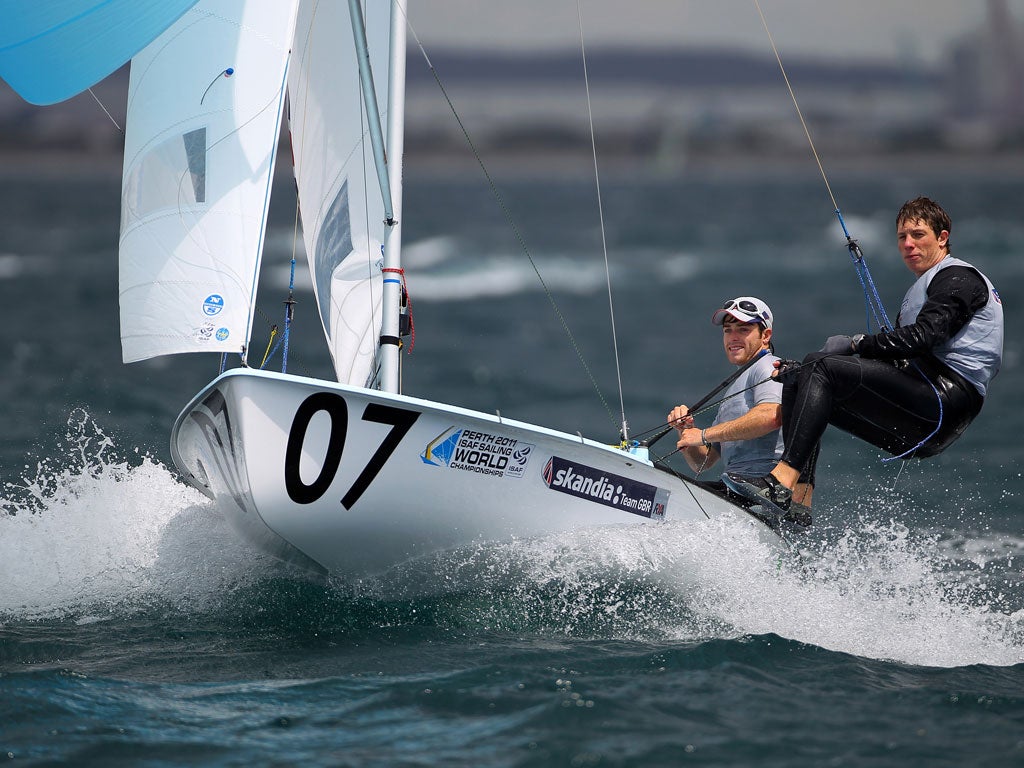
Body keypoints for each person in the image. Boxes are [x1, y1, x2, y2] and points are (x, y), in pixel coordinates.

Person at [724, 197, 1004, 513]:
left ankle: (779, 482)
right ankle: (798, 502)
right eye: (902, 237)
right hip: (923, 410)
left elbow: (924, 337)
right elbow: (899, 361)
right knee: (806, 375)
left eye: (918, 234)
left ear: (942, 237)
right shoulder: (925, 289)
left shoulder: (958, 278)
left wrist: (856, 343)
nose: (908, 244)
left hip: (945, 403)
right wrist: (804, 373)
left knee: (822, 368)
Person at [667, 296, 813, 518]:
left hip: (764, 497)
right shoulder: (737, 386)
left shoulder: (768, 368)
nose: (733, 338)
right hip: (737, 491)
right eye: (728, 330)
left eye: (743, 330)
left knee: (671, 497)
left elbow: (770, 416)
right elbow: (703, 462)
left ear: (766, 336)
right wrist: (686, 431)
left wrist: (703, 434)